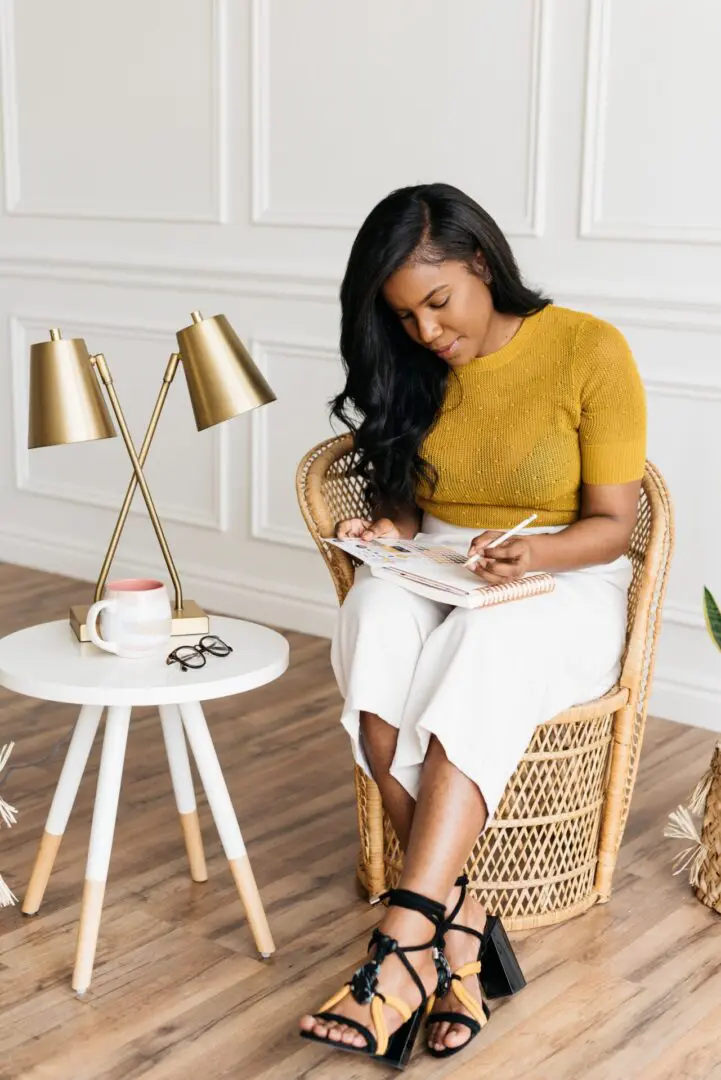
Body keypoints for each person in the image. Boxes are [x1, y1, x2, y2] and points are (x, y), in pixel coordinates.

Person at [299, 183, 647, 1066]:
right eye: (403, 316)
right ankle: (458, 921)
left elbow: (612, 526)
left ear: (481, 265)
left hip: (563, 571)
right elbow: (412, 501)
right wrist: (391, 533)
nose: (424, 332)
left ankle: (406, 935)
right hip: (444, 564)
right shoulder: (415, 366)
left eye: (437, 303)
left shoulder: (587, 349)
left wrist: (531, 558)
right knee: (373, 612)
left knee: (490, 637)